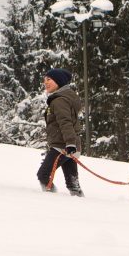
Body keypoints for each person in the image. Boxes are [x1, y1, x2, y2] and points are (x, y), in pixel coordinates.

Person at [37, 68, 84, 196]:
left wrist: (69, 144)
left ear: (59, 82)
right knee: (72, 183)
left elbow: (65, 122)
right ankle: (80, 202)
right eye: (44, 80)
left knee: (43, 175)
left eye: (49, 79)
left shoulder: (59, 100)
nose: (45, 83)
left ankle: (51, 200)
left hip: (63, 147)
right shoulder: (65, 98)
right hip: (70, 145)